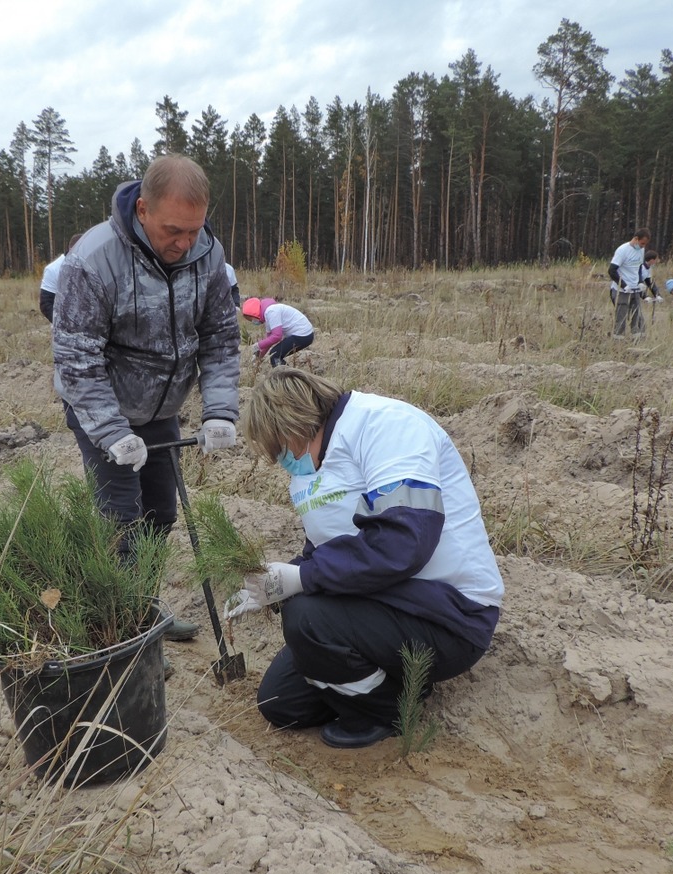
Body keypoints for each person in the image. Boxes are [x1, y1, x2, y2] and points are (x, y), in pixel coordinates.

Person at [225, 367, 504, 749]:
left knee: (306, 617)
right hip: (386, 601)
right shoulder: (314, 465)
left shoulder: (386, 428)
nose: (279, 461)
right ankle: (392, 680)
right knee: (280, 702)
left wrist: (300, 579)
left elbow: (404, 543)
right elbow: (331, 549)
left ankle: (389, 709)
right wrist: (274, 582)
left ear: (297, 423)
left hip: (447, 614)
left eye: (278, 448)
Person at [53, 154, 241, 642]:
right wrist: (113, 432)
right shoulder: (93, 260)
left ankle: (143, 608)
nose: (183, 243)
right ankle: (123, 636)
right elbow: (76, 358)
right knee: (120, 520)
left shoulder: (208, 256)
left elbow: (220, 337)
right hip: (104, 411)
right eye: (172, 230)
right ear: (142, 210)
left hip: (161, 410)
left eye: (193, 231)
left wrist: (220, 409)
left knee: (160, 515)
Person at [241, 297, 315, 366]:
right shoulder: (268, 314)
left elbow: (277, 336)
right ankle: (289, 376)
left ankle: (286, 378)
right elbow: (269, 339)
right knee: (276, 354)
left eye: (251, 319)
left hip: (303, 334)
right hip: (302, 333)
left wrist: (258, 345)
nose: (253, 322)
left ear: (254, 313)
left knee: (275, 355)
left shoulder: (271, 311)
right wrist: (258, 357)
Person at [607, 229, 651, 338]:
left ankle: (638, 341)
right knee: (621, 319)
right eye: (642, 243)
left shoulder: (641, 250)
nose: (643, 246)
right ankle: (618, 343)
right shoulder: (622, 250)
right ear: (636, 239)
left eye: (645, 244)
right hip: (621, 291)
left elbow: (639, 268)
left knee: (637, 317)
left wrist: (640, 282)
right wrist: (624, 285)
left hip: (635, 290)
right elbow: (612, 271)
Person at [39, 233, 83, 322]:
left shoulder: (93, 266)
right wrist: (61, 324)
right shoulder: (53, 269)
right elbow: (46, 303)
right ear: (72, 249)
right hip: (64, 326)